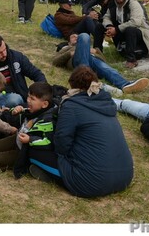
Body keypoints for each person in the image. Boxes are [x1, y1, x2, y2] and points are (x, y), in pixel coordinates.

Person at [40, 66, 134, 197]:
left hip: (91, 183)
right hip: (125, 177)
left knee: (36, 152)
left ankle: (54, 175)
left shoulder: (72, 106)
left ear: (73, 86)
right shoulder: (106, 102)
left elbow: (61, 143)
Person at [53, 33, 149, 96]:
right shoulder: (66, 48)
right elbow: (55, 61)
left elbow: (103, 60)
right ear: (69, 41)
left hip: (92, 60)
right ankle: (89, 82)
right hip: (78, 61)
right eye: (73, 36)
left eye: (77, 36)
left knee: (107, 69)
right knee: (85, 35)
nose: (76, 37)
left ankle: (125, 85)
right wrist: (70, 53)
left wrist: (95, 51)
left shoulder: (91, 49)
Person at [0, 34, 46, 108]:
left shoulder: (16, 57)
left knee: (17, 99)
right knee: (14, 100)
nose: (4, 54)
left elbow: (36, 73)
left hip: (19, 94)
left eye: (4, 50)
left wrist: (42, 91)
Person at [101, 0, 149, 68]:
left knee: (130, 30)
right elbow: (106, 17)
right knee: (99, 26)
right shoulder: (113, 3)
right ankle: (98, 52)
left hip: (140, 31)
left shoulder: (134, 4)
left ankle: (131, 60)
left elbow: (135, 22)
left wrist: (116, 29)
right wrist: (109, 26)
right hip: (121, 30)